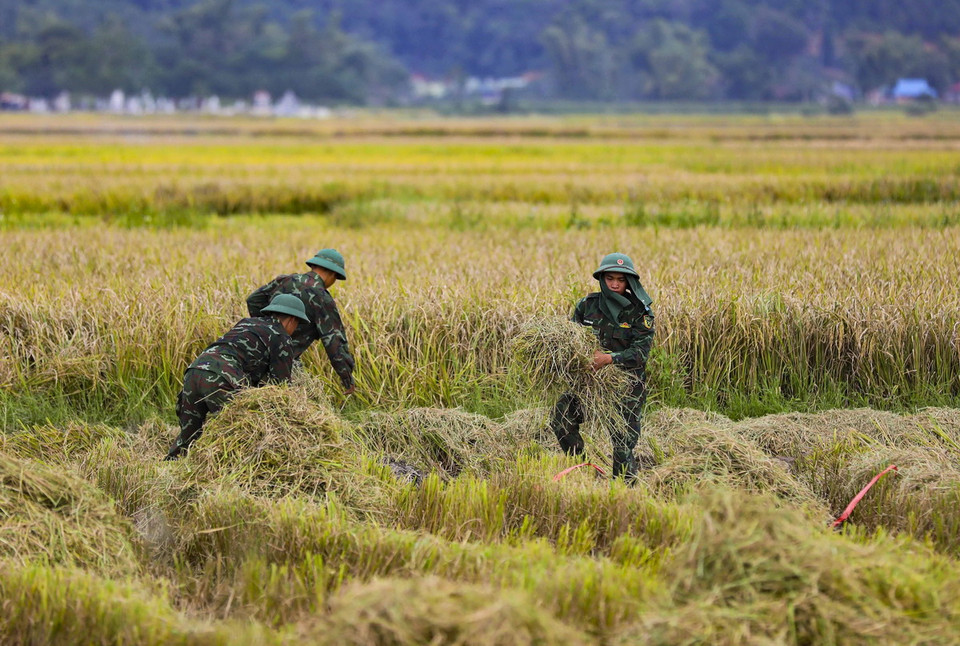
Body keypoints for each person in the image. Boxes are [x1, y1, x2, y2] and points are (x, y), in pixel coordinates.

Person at [164, 293, 309, 460]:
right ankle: (227, 473)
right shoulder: (281, 336)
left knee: (188, 434)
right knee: (239, 430)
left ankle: (170, 467)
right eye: (297, 324)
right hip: (223, 376)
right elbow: (281, 386)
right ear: (291, 320)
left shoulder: (247, 323)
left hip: (194, 370)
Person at [549, 252, 655, 480]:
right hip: (589, 383)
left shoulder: (640, 312)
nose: (615, 284)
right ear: (602, 279)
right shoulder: (587, 306)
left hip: (626, 386)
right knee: (561, 417)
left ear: (629, 282)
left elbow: (640, 354)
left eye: (621, 279)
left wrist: (609, 359)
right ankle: (582, 469)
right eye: (610, 279)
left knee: (622, 445)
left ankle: (624, 491)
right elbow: (570, 339)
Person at [246, 248, 355, 396]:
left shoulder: (284, 280)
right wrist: (347, 378)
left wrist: (266, 326)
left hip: (257, 351)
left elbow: (253, 300)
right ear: (332, 274)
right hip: (285, 359)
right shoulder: (322, 298)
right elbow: (334, 342)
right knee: (289, 399)